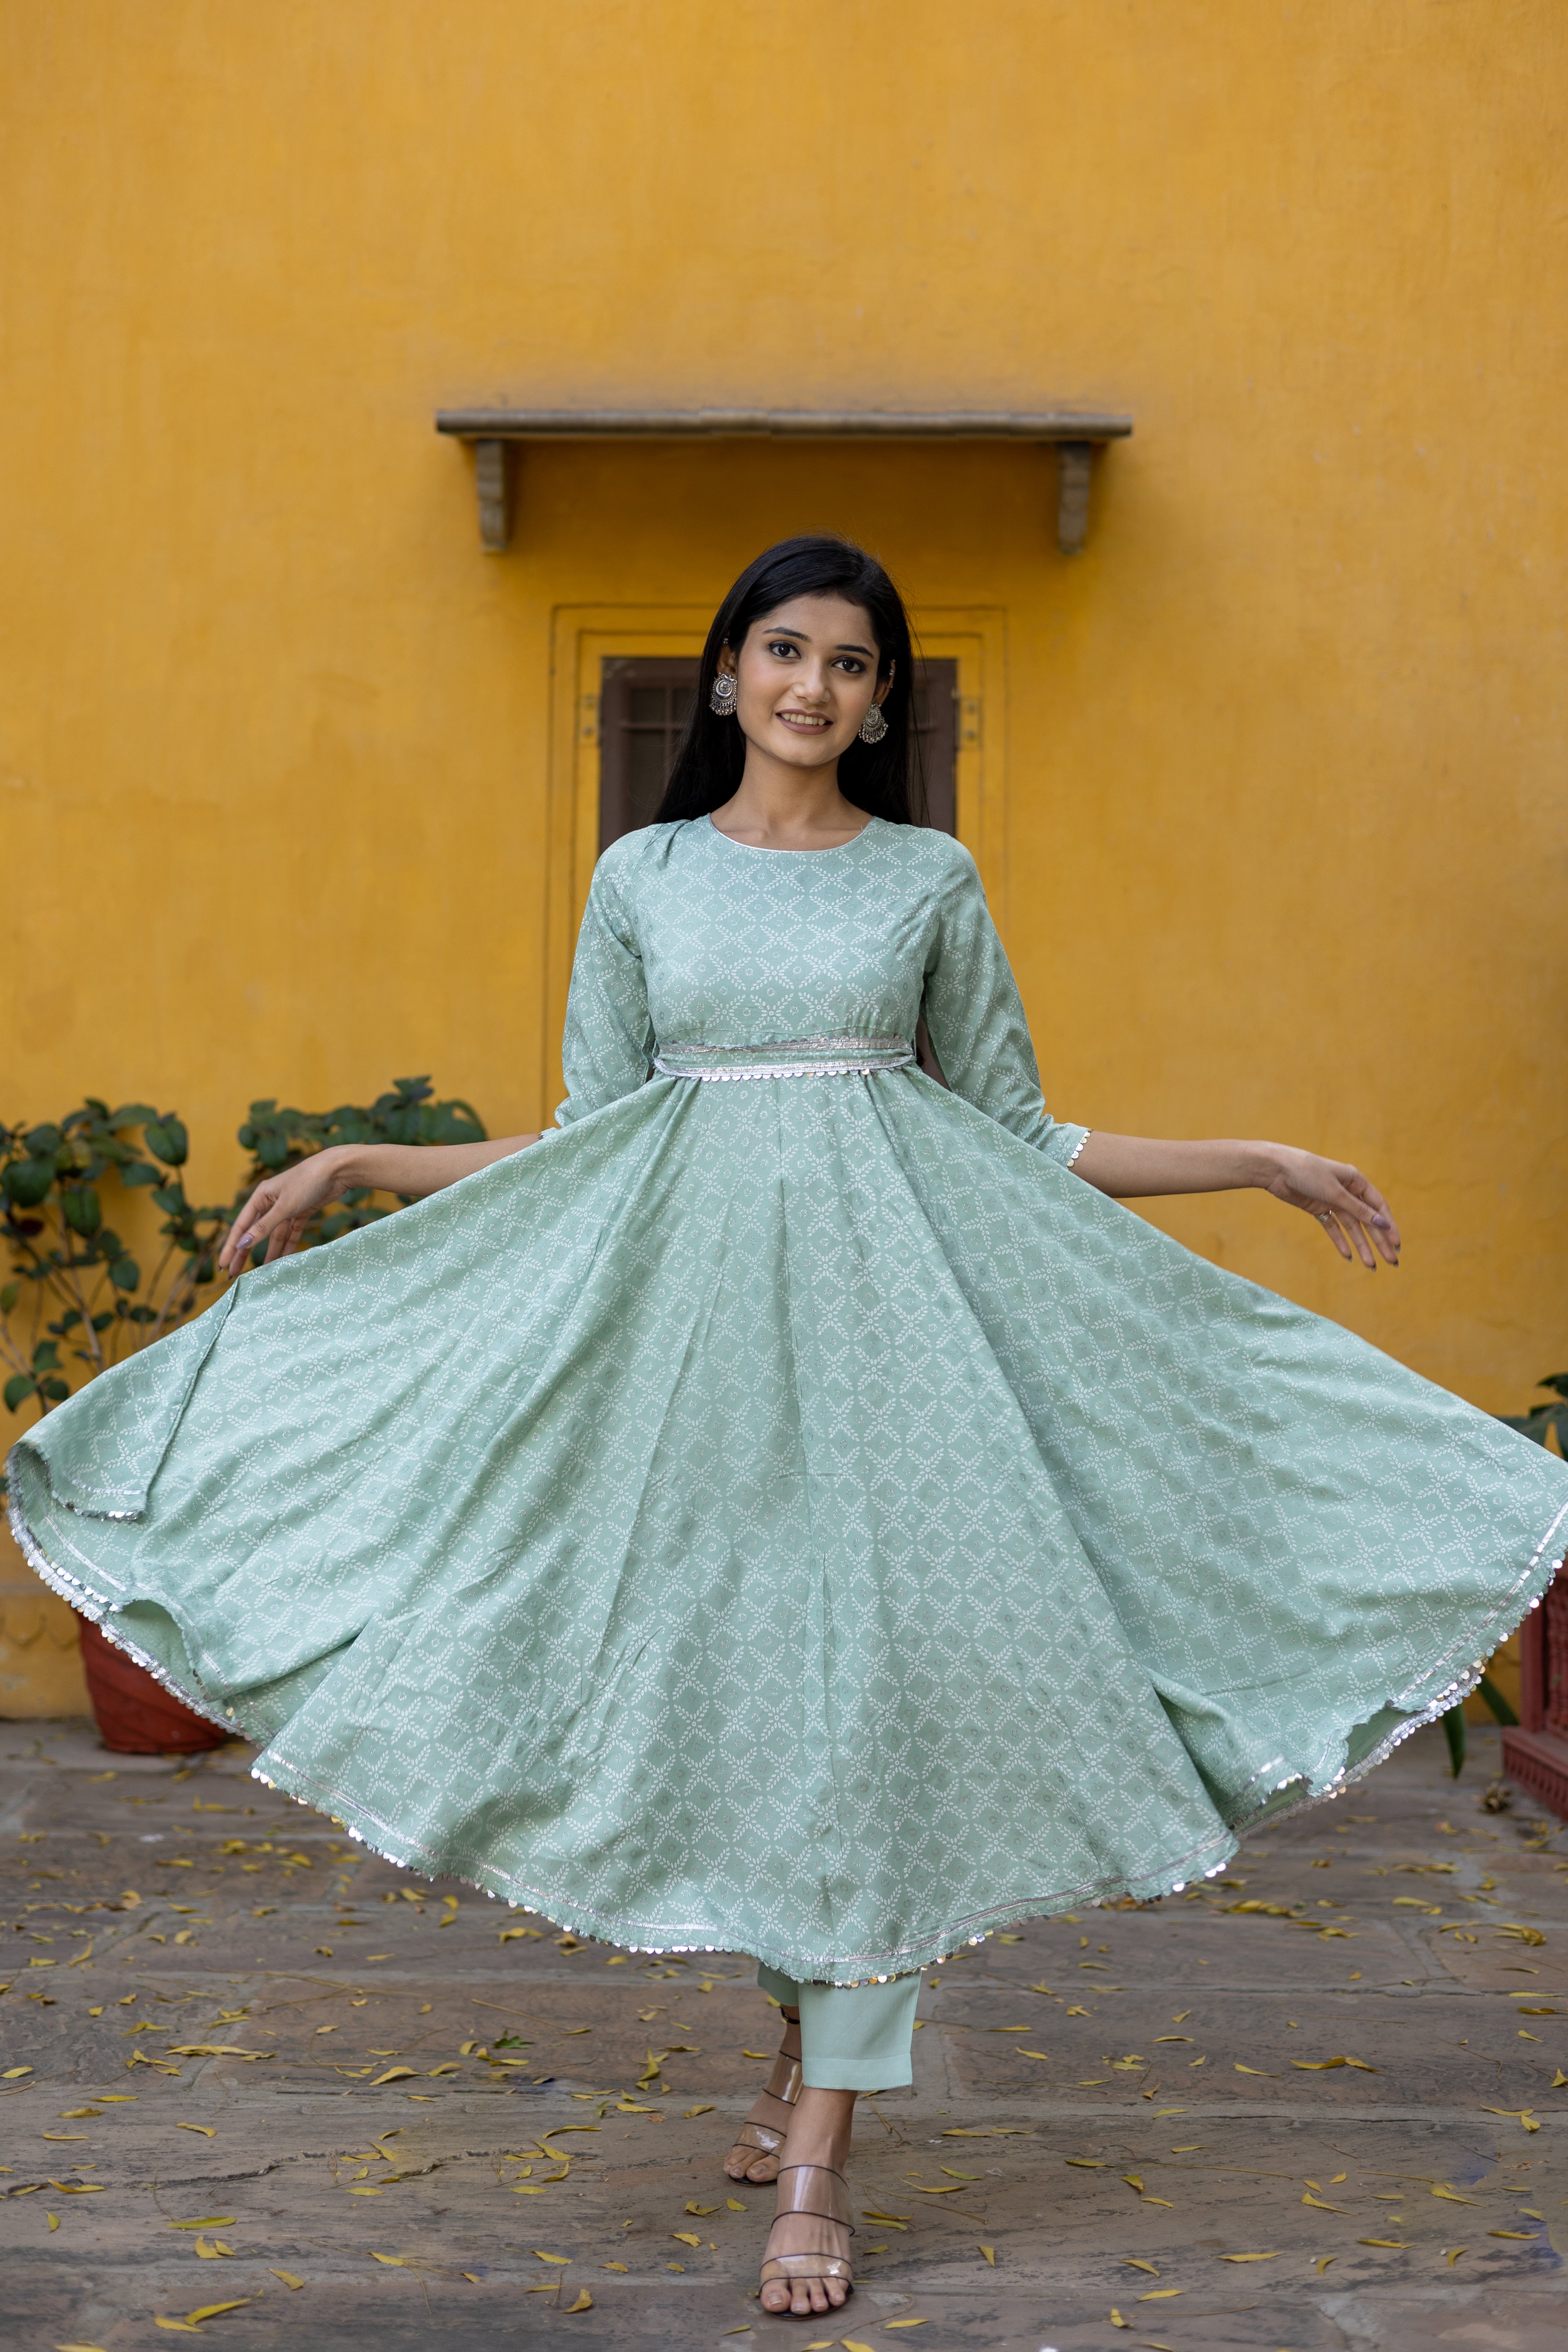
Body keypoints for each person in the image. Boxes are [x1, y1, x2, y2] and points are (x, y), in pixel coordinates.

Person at [9, 535, 1566, 2322]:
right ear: (730, 670)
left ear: (884, 697)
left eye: (850, 663)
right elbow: (597, 1133)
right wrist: (364, 1163)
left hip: (907, 1375)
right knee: (755, 1700)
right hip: (692, 1368)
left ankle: (824, 2147)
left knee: (874, 1719)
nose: (813, 687)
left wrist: (1261, 1159)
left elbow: (1017, 1129)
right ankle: (795, 2031)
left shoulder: (927, 879)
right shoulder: (645, 875)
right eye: (783, 651)